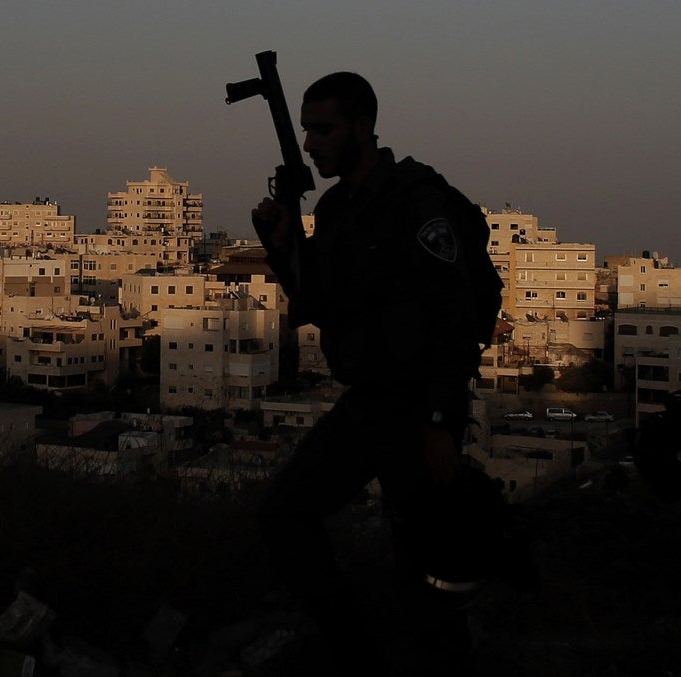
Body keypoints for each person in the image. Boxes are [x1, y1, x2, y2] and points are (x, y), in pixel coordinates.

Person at [253, 72, 486, 675]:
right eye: (306, 130)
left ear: (362, 128)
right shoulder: (336, 210)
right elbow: (318, 304)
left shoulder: (415, 201)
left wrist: (440, 421)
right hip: (371, 402)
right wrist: (282, 248)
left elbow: (454, 316)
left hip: (419, 408)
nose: (311, 145)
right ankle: (354, 655)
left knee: (425, 567)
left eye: (323, 130)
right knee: (285, 514)